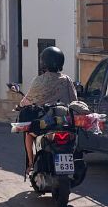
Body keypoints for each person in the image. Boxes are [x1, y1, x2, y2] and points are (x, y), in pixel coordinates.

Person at [20, 46, 77, 174]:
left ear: (43, 62)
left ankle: (30, 163)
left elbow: (28, 100)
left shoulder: (39, 80)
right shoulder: (66, 79)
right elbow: (74, 100)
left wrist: (21, 104)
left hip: (45, 124)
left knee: (29, 135)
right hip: (65, 123)